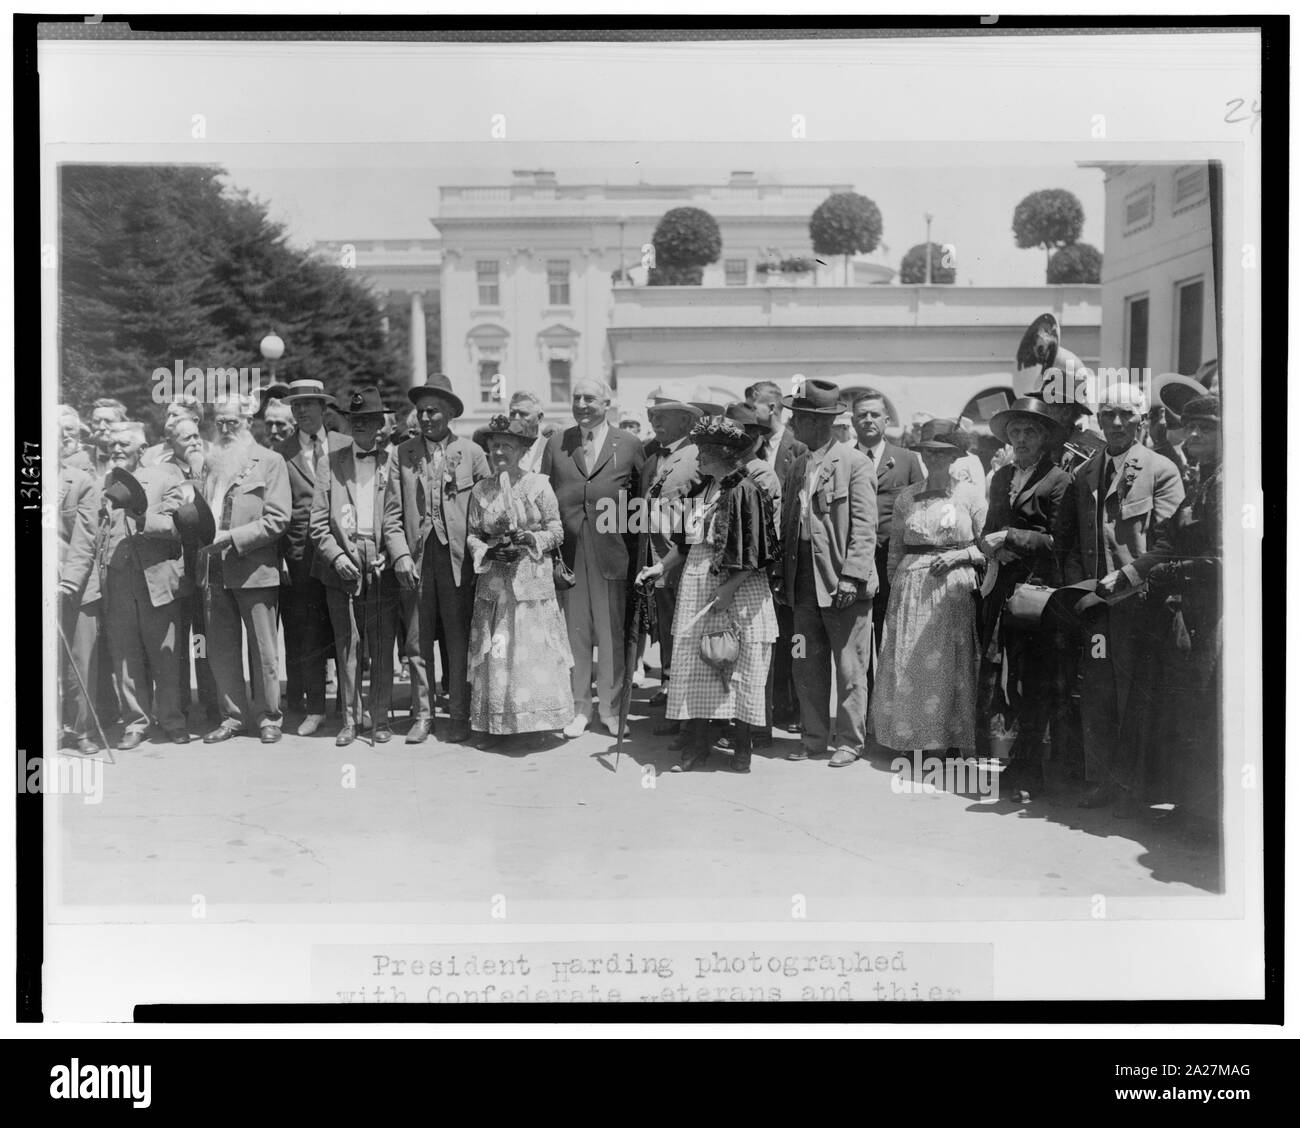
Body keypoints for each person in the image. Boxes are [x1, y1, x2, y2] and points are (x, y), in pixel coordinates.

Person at [1055, 382, 1184, 814]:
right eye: (1107, 414)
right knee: (1096, 691)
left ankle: (1135, 787)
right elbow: (1071, 543)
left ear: (1141, 421)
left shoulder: (1161, 469)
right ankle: (1102, 780)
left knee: (1136, 695)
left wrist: (1125, 577)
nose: (1114, 423)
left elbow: (1168, 544)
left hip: (1140, 605)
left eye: (1125, 415)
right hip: (1096, 608)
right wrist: (1083, 586)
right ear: (1097, 419)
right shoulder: (1085, 473)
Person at [637, 416, 778, 773]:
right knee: (696, 665)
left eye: (703, 453)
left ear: (722, 455)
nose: (697, 460)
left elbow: (757, 553)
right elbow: (685, 545)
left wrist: (728, 590)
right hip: (697, 586)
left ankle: (742, 745)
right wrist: (659, 567)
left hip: (738, 590)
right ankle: (697, 744)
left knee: (740, 666)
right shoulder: (702, 492)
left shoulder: (747, 491)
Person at [1128, 394, 1222, 838]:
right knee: (1189, 707)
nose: (1196, 435)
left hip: (1216, 613)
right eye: (1193, 427)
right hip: (1193, 608)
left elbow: (1225, 561)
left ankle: (1206, 816)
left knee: (1206, 709)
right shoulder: (1201, 479)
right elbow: (1170, 535)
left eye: (1208, 427)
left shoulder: (1226, 484)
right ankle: (1192, 807)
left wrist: (1172, 570)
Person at [775, 379, 878, 767]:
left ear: (816, 422)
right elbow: (789, 523)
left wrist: (852, 576)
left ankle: (850, 741)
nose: (792, 426)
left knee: (850, 665)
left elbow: (865, 528)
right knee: (805, 660)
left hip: (840, 580)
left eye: (797, 419)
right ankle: (814, 737)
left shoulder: (855, 464)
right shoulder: (799, 465)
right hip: (802, 580)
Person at [383, 373, 490, 744]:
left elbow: (488, 508)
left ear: (449, 414)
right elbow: (392, 514)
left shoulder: (472, 454)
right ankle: (423, 715)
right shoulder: (403, 453)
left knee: (459, 639)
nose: (426, 418)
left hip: (457, 559)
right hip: (417, 557)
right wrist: (399, 555)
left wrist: (481, 550)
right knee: (417, 639)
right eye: (421, 411)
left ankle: (459, 714)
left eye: (434, 411)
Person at [870, 421, 987, 756]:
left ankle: (945, 740)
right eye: (929, 454)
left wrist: (959, 556)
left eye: (943, 455)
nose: (935, 460)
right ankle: (910, 737)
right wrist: (898, 583)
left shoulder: (969, 495)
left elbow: (987, 546)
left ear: (954, 457)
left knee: (946, 664)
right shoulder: (908, 496)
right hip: (910, 591)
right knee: (910, 661)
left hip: (952, 591)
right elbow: (895, 548)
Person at [975, 398, 1072, 801]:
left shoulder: (1058, 480)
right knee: (1003, 675)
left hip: (1036, 593)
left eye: (1029, 432)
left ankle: (1030, 771)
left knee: (1033, 678)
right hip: (1001, 588)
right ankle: (1008, 758)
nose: (1021, 440)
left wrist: (1015, 538)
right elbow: (990, 527)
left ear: (1045, 437)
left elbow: (1060, 542)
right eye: (1015, 432)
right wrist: (991, 545)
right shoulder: (1001, 477)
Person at [542, 378, 645, 739]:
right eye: (577, 398)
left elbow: (639, 505)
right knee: (575, 632)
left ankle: (612, 709)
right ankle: (579, 707)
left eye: (590, 398)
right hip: (569, 552)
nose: (582, 404)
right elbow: (544, 498)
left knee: (611, 631)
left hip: (612, 552)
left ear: (607, 403)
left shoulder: (629, 444)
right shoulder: (557, 443)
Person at [465, 415, 574, 745]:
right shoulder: (482, 489)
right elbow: (472, 534)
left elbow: (556, 530)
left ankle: (534, 723)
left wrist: (531, 540)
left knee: (530, 652)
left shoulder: (539, 485)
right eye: (494, 445)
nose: (499, 452)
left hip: (531, 582)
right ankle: (494, 724)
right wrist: (486, 551)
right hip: (495, 585)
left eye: (507, 446)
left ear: (523, 450)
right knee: (497, 653)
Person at [310, 387, 404, 746]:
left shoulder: (391, 462)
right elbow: (318, 523)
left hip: (378, 556)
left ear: (381, 425)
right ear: (349, 425)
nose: (364, 428)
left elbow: (398, 515)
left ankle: (380, 719)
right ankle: (350, 719)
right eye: (357, 422)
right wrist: (336, 557)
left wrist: (389, 554)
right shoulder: (330, 462)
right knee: (347, 643)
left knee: (381, 644)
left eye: (370, 422)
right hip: (343, 557)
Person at [200, 395, 292, 744]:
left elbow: (278, 519)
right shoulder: (211, 463)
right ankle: (233, 717)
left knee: (263, 649)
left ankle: (268, 717)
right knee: (221, 649)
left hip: (254, 569)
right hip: (214, 569)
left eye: (232, 422)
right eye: (219, 422)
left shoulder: (270, 461)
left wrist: (233, 538)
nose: (224, 429)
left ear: (247, 423)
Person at [97, 423, 192, 748]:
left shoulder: (164, 479)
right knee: (126, 655)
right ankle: (135, 723)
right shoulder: (102, 483)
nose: (116, 449)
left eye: (123, 444)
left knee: (165, 655)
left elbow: (176, 526)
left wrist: (141, 517)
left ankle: (172, 720)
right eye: (112, 444)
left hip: (157, 578)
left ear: (141, 448)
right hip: (119, 580)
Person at [276, 378, 351, 736]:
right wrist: (281, 558)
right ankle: (315, 709)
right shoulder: (281, 452)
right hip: (301, 558)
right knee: (308, 634)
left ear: (324, 408)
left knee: (346, 629)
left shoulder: (344, 445)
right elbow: (276, 509)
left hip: (342, 553)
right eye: (296, 405)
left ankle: (350, 706)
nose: (301, 410)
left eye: (308, 403)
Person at [747, 379, 808, 731]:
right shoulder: (748, 447)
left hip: (791, 559)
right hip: (758, 560)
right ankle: (767, 708)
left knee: (793, 637)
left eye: (753, 407)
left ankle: (794, 707)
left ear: (771, 408)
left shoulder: (797, 448)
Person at [637, 397, 704, 719]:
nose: (656, 422)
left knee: (684, 627)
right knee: (665, 625)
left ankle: (685, 695)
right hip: (656, 556)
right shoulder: (654, 454)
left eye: (665, 416)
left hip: (682, 556)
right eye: (653, 416)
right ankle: (668, 682)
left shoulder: (694, 455)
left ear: (686, 422)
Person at [851, 388, 925, 661]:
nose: (868, 419)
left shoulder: (907, 460)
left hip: (892, 564)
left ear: (886, 420)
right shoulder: (844, 459)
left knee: (890, 639)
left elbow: (921, 511)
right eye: (862, 415)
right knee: (855, 645)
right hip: (853, 564)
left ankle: (883, 702)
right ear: (852, 422)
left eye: (875, 414)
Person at [58, 436, 100, 753]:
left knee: (78, 662)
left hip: (76, 585)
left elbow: (85, 541)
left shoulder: (81, 482)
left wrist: (68, 583)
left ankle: (81, 730)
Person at [142, 395, 204, 467]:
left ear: (195, 421)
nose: (169, 421)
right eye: (168, 416)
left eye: (175, 415)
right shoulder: (149, 454)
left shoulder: (211, 453)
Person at [506, 390, 550, 473]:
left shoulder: (551, 450)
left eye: (523, 414)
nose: (517, 418)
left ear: (539, 417)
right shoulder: (501, 450)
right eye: (512, 414)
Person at [89, 398, 129, 474]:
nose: (102, 427)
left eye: (108, 421)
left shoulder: (138, 461)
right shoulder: (74, 462)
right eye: (96, 422)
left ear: (123, 424)